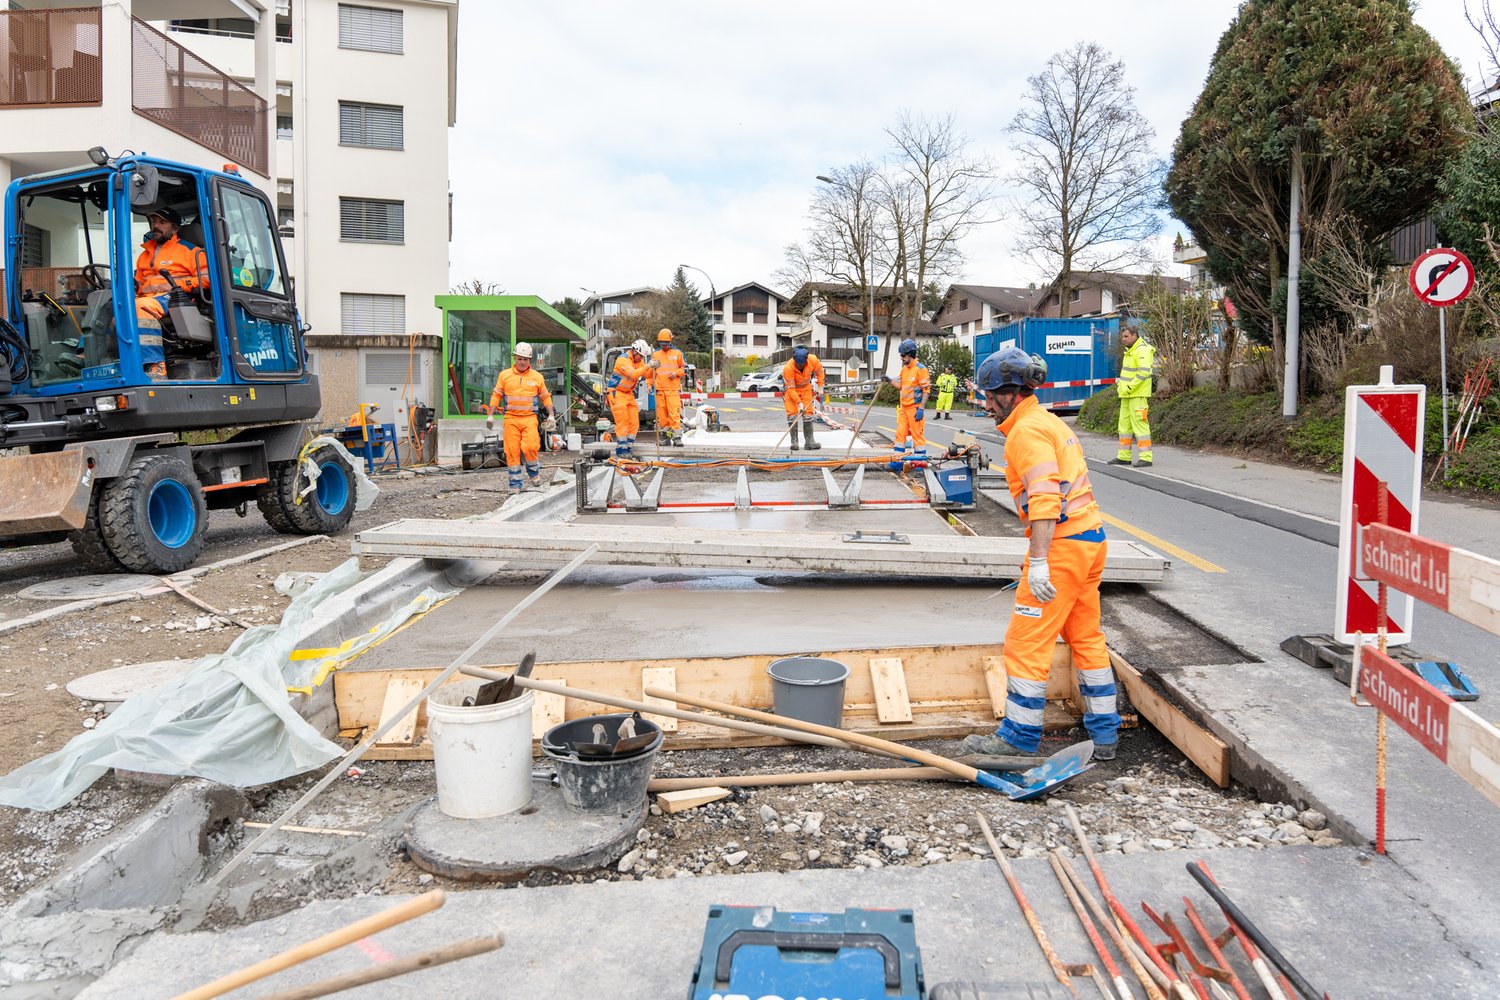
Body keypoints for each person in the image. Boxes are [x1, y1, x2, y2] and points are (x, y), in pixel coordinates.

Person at [961, 345, 1120, 761]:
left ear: (1009, 393)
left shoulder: (1027, 432)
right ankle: (1105, 734)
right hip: (1090, 540)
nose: (986, 404)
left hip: (1063, 548)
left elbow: (1046, 499)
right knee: (1086, 636)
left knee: (1026, 640)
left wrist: (1038, 562)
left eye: (989, 396)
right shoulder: (1048, 422)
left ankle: (1017, 738)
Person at [134, 206, 209, 381]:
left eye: (162, 222)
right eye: (154, 222)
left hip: (175, 297)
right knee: (112, 305)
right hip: (147, 297)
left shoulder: (190, 251)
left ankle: (155, 364)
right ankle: (86, 355)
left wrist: (175, 285)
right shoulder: (145, 255)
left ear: (175, 228)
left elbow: (206, 279)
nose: (156, 226)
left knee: (142, 308)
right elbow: (139, 283)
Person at [486, 342, 556, 494]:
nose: (522, 362)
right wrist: (490, 415)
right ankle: (515, 485)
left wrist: (551, 414)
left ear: (529, 360)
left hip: (529, 418)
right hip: (511, 418)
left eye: (525, 359)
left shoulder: (537, 377)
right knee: (512, 451)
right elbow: (496, 394)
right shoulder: (504, 376)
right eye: (519, 359)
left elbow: (545, 396)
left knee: (531, 446)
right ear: (515, 358)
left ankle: (533, 472)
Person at [883, 338, 930, 470]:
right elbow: (901, 386)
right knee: (900, 435)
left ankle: (920, 463)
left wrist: (921, 409)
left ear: (910, 354)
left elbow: (926, 391)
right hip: (904, 409)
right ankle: (897, 462)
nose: (901, 358)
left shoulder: (921, 369)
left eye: (903, 355)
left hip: (915, 409)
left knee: (917, 436)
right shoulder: (904, 370)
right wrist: (889, 380)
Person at [1113, 327, 1155, 467]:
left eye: (1126, 336)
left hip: (1137, 395)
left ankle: (1146, 458)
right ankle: (1124, 456)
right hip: (1127, 395)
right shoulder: (1131, 350)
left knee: (1140, 427)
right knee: (1124, 427)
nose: (1123, 339)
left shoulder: (1142, 350)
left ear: (1134, 335)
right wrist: (1122, 388)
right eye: (1123, 336)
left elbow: (1143, 373)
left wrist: (1129, 387)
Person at [608, 339, 652, 458]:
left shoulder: (639, 361)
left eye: (643, 357)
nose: (641, 358)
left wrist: (653, 368)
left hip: (628, 393)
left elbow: (646, 374)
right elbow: (633, 374)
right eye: (640, 356)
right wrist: (648, 366)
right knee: (622, 419)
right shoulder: (622, 360)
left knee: (634, 421)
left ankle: (628, 447)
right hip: (616, 392)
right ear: (634, 351)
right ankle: (621, 450)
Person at [781, 345, 825, 451]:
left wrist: (820, 386)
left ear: (806, 359)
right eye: (798, 364)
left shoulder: (812, 360)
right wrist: (799, 403)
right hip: (792, 391)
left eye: (802, 364)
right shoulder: (788, 368)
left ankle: (809, 442)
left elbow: (820, 372)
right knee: (792, 415)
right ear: (794, 360)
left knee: (808, 414)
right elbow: (791, 389)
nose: (800, 366)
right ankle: (794, 442)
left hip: (805, 389)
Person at [651, 328, 686, 447]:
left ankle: (677, 437)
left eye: (666, 343)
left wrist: (676, 373)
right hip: (660, 390)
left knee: (674, 414)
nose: (664, 346)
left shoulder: (678, 353)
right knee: (662, 417)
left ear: (670, 341)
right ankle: (665, 437)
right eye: (662, 343)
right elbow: (651, 372)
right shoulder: (655, 354)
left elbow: (684, 368)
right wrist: (649, 384)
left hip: (672, 390)